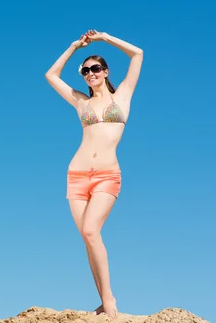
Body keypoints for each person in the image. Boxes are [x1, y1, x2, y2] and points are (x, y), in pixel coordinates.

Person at [44, 29, 143, 320]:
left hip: (107, 175)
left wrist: (105, 38)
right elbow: (51, 75)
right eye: (85, 70)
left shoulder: (123, 95)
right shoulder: (80, 102)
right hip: (77, 174)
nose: (90, 73)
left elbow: (138, 54)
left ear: (105, 71)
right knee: (90, 237)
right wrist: (74, 46)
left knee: (90, 230)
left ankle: (110, 299)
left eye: (95, 68)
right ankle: (103, 301)